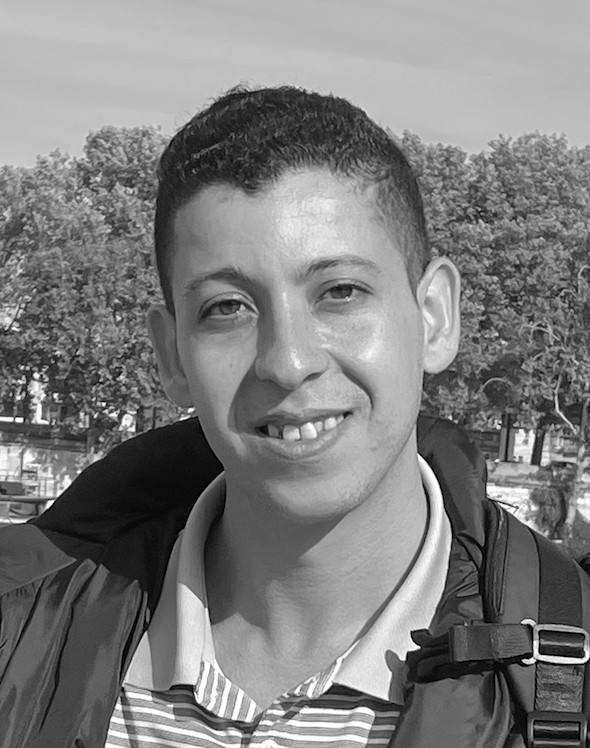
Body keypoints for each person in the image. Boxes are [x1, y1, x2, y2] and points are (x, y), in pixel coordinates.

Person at [1, 86, 588, 748]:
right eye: (227, 308)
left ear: (435, 317)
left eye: (340, 292)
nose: (287, 361)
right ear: (172, 355)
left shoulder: (564, 677)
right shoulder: (22, 636)